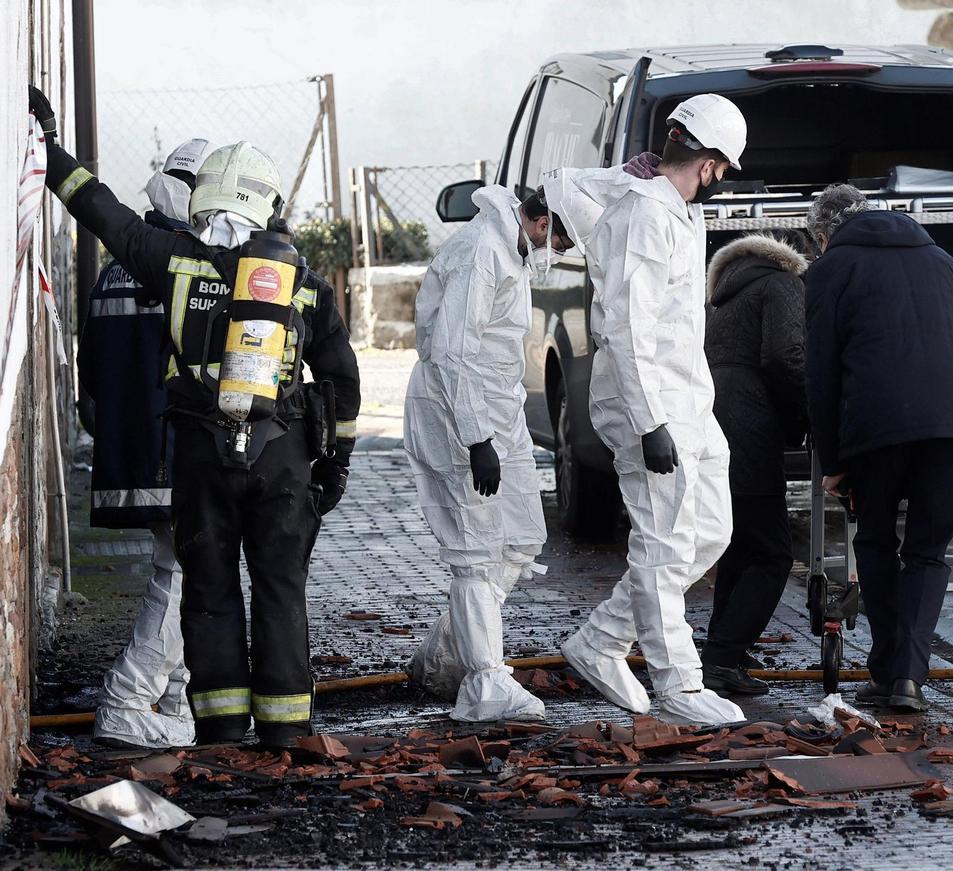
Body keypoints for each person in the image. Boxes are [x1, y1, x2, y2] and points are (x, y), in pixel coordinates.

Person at [30, 87, 360, 747]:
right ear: (269, 203)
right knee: (278, 589)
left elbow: (102, 212)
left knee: (207, 593)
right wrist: (336, 463)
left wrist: (46, 147)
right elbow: (341, 376)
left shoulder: (171, 260)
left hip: (200, 457)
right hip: (281, 456)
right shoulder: (301, 281)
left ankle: (218, 727)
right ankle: (288, 730)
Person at [805, 183, 953, 712]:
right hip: (952, 430)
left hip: (875, 427)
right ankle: (907, 675)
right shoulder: (940, 261)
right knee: (928, 552)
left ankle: (891, 669)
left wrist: (834, 461)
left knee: (878, 542)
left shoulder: (828, 270)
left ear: (824, 235)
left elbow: (820, 374)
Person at [561, 93, 749, 727]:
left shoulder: (673, 209)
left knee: (710, 531)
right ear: (713, 164)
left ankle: (602, 640)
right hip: (650, 407)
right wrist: (649, 423)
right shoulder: (641, 214)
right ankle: (678, 684)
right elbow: (626, 326)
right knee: (664, 543)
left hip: (689, 401)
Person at [405, 185, 574, 722]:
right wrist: (477, 438)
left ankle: (445, 656)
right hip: (455, 411)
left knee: (522, 536)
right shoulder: (482, 250)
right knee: (476, 548)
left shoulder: (512, 252)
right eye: (564, 242)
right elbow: (451, 351)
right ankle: (484, 682)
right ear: (544, 222)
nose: (563, 255)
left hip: (498, 410)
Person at [80, 138, 208, 749]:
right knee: (180, 573)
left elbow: (91, 390)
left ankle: (174, 697)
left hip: (133, 454)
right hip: (170, 455)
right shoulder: (175, 265)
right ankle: (128, 696)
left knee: (181, 568)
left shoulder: (113, 270)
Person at [700, 230, 808, 696]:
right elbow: (786, 356)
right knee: (772, 552)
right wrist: (806, 417)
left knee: (739, 546)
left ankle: (723, 650)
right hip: (749, 424)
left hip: (714, 419)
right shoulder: (781, 284)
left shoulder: (723, 297)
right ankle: (723, 657)